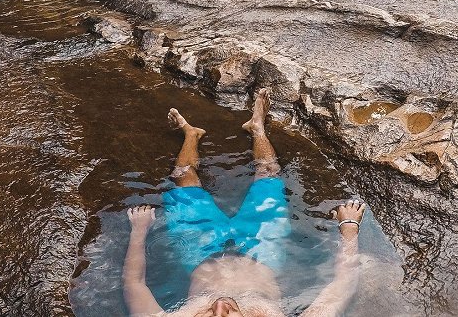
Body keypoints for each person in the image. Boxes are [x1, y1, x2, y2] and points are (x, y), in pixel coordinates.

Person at [123, 88, 367, 317]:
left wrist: (139, 230)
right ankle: (258, 128)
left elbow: (134, 284)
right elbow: (342, 286)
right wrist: (349, 228)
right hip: (262, 248)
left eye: (207, 316)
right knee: (268, 174)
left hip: (200, 249)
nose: (219, 306)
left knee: (183, 177)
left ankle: (191, 133)